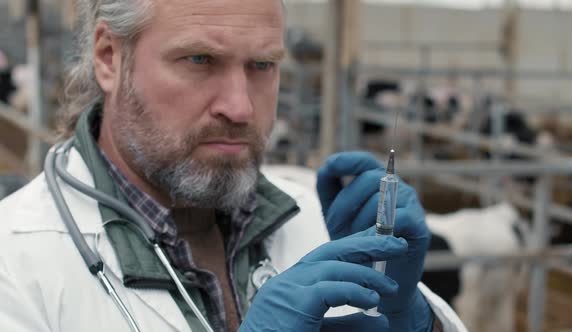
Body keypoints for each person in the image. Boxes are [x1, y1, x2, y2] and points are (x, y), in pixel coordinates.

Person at [0, 0, 467, 331]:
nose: (240, 107)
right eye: (200, 59)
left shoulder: (314, 219)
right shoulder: (16, 266)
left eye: (262, 65)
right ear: (109, 58)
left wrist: (414, 320)